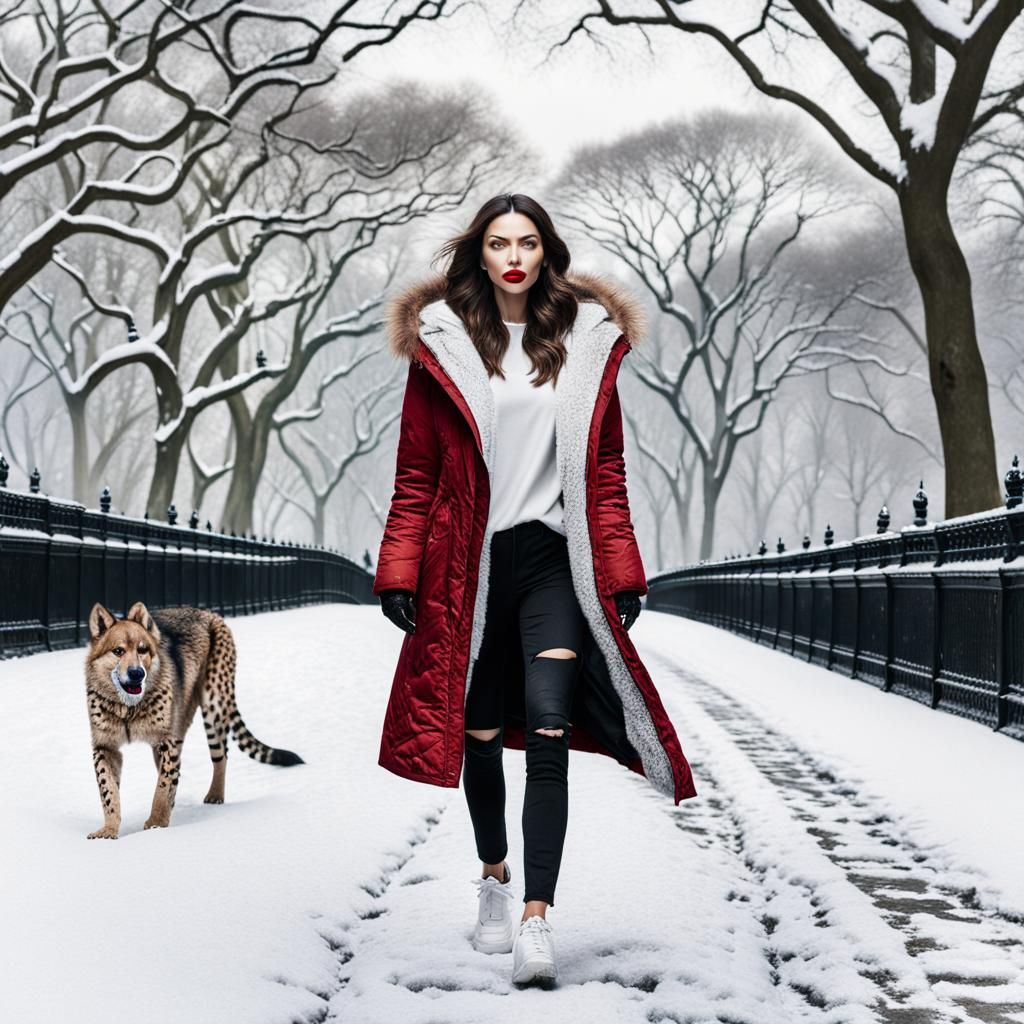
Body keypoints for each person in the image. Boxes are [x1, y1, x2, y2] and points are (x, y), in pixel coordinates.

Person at [373, 192, 697, 988]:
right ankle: (493, 877)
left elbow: (607, 472)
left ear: (546, 252)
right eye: (496, 243)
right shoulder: (443, 346)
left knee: (548, 726)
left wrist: (621, 570)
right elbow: (417, 474)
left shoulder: (584, 345)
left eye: (526, 242)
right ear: (478, 255)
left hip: (555, 561)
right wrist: (400, 567)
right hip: (470, 569)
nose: (512, 256)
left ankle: (537, 922)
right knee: (479, 733)